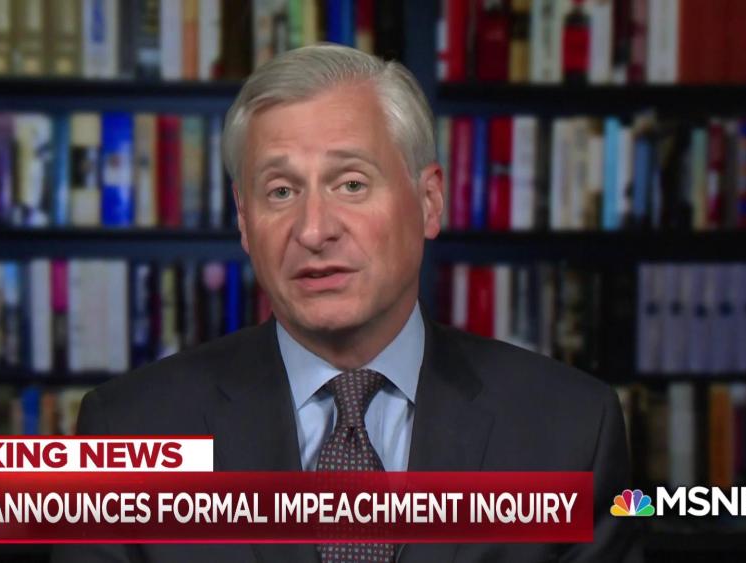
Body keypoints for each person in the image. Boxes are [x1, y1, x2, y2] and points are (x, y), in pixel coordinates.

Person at [53, 44, 642, 563]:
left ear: (429, 201)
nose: (314, 230)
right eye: (281, 191)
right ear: (244, 222)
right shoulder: (124, 434)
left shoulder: (571, 430)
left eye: (351, 184)